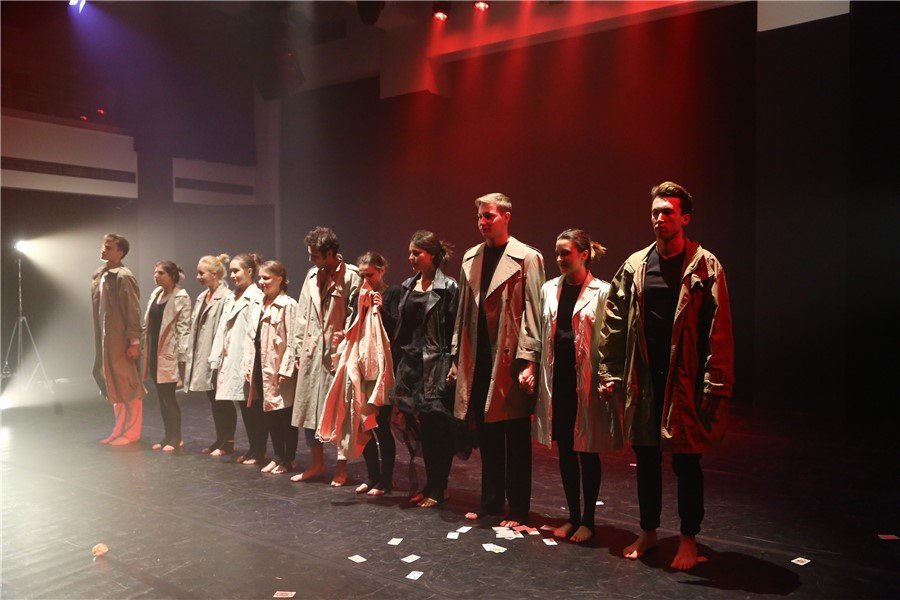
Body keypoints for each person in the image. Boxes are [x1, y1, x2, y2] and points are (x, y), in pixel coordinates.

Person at [598, 181, 734, 570]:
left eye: (668, 212)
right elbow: (613, 320)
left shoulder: (705, 265)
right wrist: (609, 370)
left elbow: (719, 328)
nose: (659, 218)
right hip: (644, 377)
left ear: (684, 218)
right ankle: (649, 530)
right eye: (655, 212)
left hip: (685, 378)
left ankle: (688, 538)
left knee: (687, 462)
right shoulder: (636, 265)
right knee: (646, 458)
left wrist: (715, 382)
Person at [452, 193, 545, 527]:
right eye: (479, 216)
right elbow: (463, 312)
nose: (482, 222)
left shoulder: (528, 258)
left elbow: (534, 311)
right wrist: (456, 355)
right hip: (478, 358)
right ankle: (490, 502)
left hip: (510, 359)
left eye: (488, 215)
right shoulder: (471, 257)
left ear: (506, 216)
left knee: (515, 437)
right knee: (488, 436)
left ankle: (518, 508)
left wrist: (530, 359)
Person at [532, 229, 623, 543]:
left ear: (584, 254)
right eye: (557, 253)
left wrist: (609, 376)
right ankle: (572, 516)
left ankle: (588, 521)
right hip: (558, 381)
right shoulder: (548, 289)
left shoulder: (603, 291)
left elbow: (611, 339)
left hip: (586, 382)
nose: (560, 259)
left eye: (566, 253)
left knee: (587, 450)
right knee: (566, 450)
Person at [391, 232, 460, 508]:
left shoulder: (449, 287)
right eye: (410, 252)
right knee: (423, 429)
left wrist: (454, 362)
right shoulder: (408, 286)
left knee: (438, 429)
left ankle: (438, 488)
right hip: (412, 367)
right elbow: (403, 327)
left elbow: (455, 327)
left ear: (432, 255)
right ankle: (431, 485)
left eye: (417, 252)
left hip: (437, 364)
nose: (411, 257)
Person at [290, 227, 361, 485]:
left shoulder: (351, 276)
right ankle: (317, 465)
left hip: (337, 354)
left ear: (330, 253)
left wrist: (346, 341)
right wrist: (298, 349)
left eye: (315, 255)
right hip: (312, 353)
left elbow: (356, 314)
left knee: (339, 411)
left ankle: (341, 468)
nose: (311, 259)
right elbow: (302, 315)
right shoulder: (311, 276)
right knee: (309, 411)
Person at [210, 253, 268, 465]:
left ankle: (259, 450)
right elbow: (222, 329)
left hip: (247, 358)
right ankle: (253, 449)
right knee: (244, 405)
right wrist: (216, 357)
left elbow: (253, 331)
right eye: (231, 271)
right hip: (231, 357)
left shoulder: (256, 296)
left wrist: (249, 360)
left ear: (250, 271)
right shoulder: (231, 297)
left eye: (236, 271)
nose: (232, 275)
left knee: (253, 406)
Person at [352, 252, 401, 496]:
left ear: (382, 271)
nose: (366, 280)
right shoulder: (358, 295)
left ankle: (386, 479)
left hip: (384, 368)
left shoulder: (393, 293)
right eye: (362, 275)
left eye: (370, 275)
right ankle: (372, 476)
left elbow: (398, 330)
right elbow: (355, 326)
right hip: (364, 365)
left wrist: (382, 310)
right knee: (364, 424)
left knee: (381, 425)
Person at [244, 261, 299, 475]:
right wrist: (248, 364)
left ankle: (288, 458)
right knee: (269, 413)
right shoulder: (258, 304)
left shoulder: (288, 305)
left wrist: (286, 369)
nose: (262, 282)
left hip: (278, 368)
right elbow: (251, 338)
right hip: (261, 366)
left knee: (284, 414)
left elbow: (293, 340)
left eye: (266, 278)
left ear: (280, 279)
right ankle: (278, 455)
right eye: (260, 278)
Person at [91, 233, 144, 446]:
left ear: (120, 252)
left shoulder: (123, 276)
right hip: (107, 337)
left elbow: (133, 309)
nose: (103, 250)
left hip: (121, 338)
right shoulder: (101, 274)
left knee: (128, 385)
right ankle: (119, 429)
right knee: (113, 384)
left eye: (109, 247)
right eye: (103, 246)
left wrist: (134, 341)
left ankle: (132, 432)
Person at [184, 254, 235, 456]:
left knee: (222, 399)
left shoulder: (226, 297)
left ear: (214, 274)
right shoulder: (202, 297)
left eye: (201, 273)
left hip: (218, 355)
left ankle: (228, 441)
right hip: (203, 354)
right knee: (213, 398)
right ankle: (220, 438)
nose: (198, 277)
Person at [141, 261, 191, 452]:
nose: (156, 276)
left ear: (172, 276)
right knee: (161, 397)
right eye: (155, 272)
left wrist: (182, 356)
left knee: (169, 397)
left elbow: (184, 328)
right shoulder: (156, 294)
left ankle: (176, 438)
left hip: (169, 354)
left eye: (161, 273)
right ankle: (167, 436)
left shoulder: (181, 297)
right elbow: (148, 323)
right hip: (154, 353)